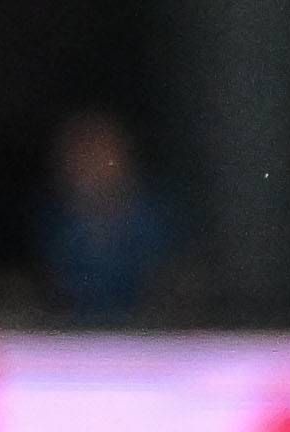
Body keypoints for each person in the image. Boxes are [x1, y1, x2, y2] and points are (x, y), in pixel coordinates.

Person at [36, 112, 183, 323]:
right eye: (81, 154)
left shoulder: (158, 220)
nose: (91, 165)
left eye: (99, 152)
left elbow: (175, 288)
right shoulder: (52, 223)